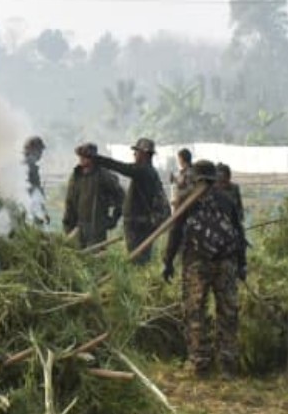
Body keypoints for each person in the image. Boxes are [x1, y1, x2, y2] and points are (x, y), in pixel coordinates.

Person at [163, 159, 248, 378]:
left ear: (195, 177)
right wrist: (242, 263)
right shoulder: (226, 199)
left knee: (195, 312)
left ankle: (199, 363)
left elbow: (175, 233)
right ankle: (227, 364)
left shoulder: (187, 200)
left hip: (196, 263)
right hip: (226, 262)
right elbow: (239, 233)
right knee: (227, 312)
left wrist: (168, 261)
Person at [92, 137, 171, 262]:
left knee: (138, 259)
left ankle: (141, 277)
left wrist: (95, 158)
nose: (134, 154)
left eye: (137, 151)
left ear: (144, 154)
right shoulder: (149, 172)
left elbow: (118, 166)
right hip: (141, 224)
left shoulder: (143, 171)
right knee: (140, 258)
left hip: (138, 225)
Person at [62, 142, 124, 248]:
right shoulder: (76, 176)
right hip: (78, 226)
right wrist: (67, 224)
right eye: (81, 156)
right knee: (76, 257)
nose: (81, 158)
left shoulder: (104, 175)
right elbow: (70, 202)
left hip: (97, 228)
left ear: (93, 159)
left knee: (95, 259)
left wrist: (113, 219)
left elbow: (121, 197)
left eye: (85, 156)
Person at [22, 136, 48, 222]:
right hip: (28, 209)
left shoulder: (29, 165)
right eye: (39, 150)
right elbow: (32, 191)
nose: (41, 154)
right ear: (32, 150)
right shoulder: (29, 166)